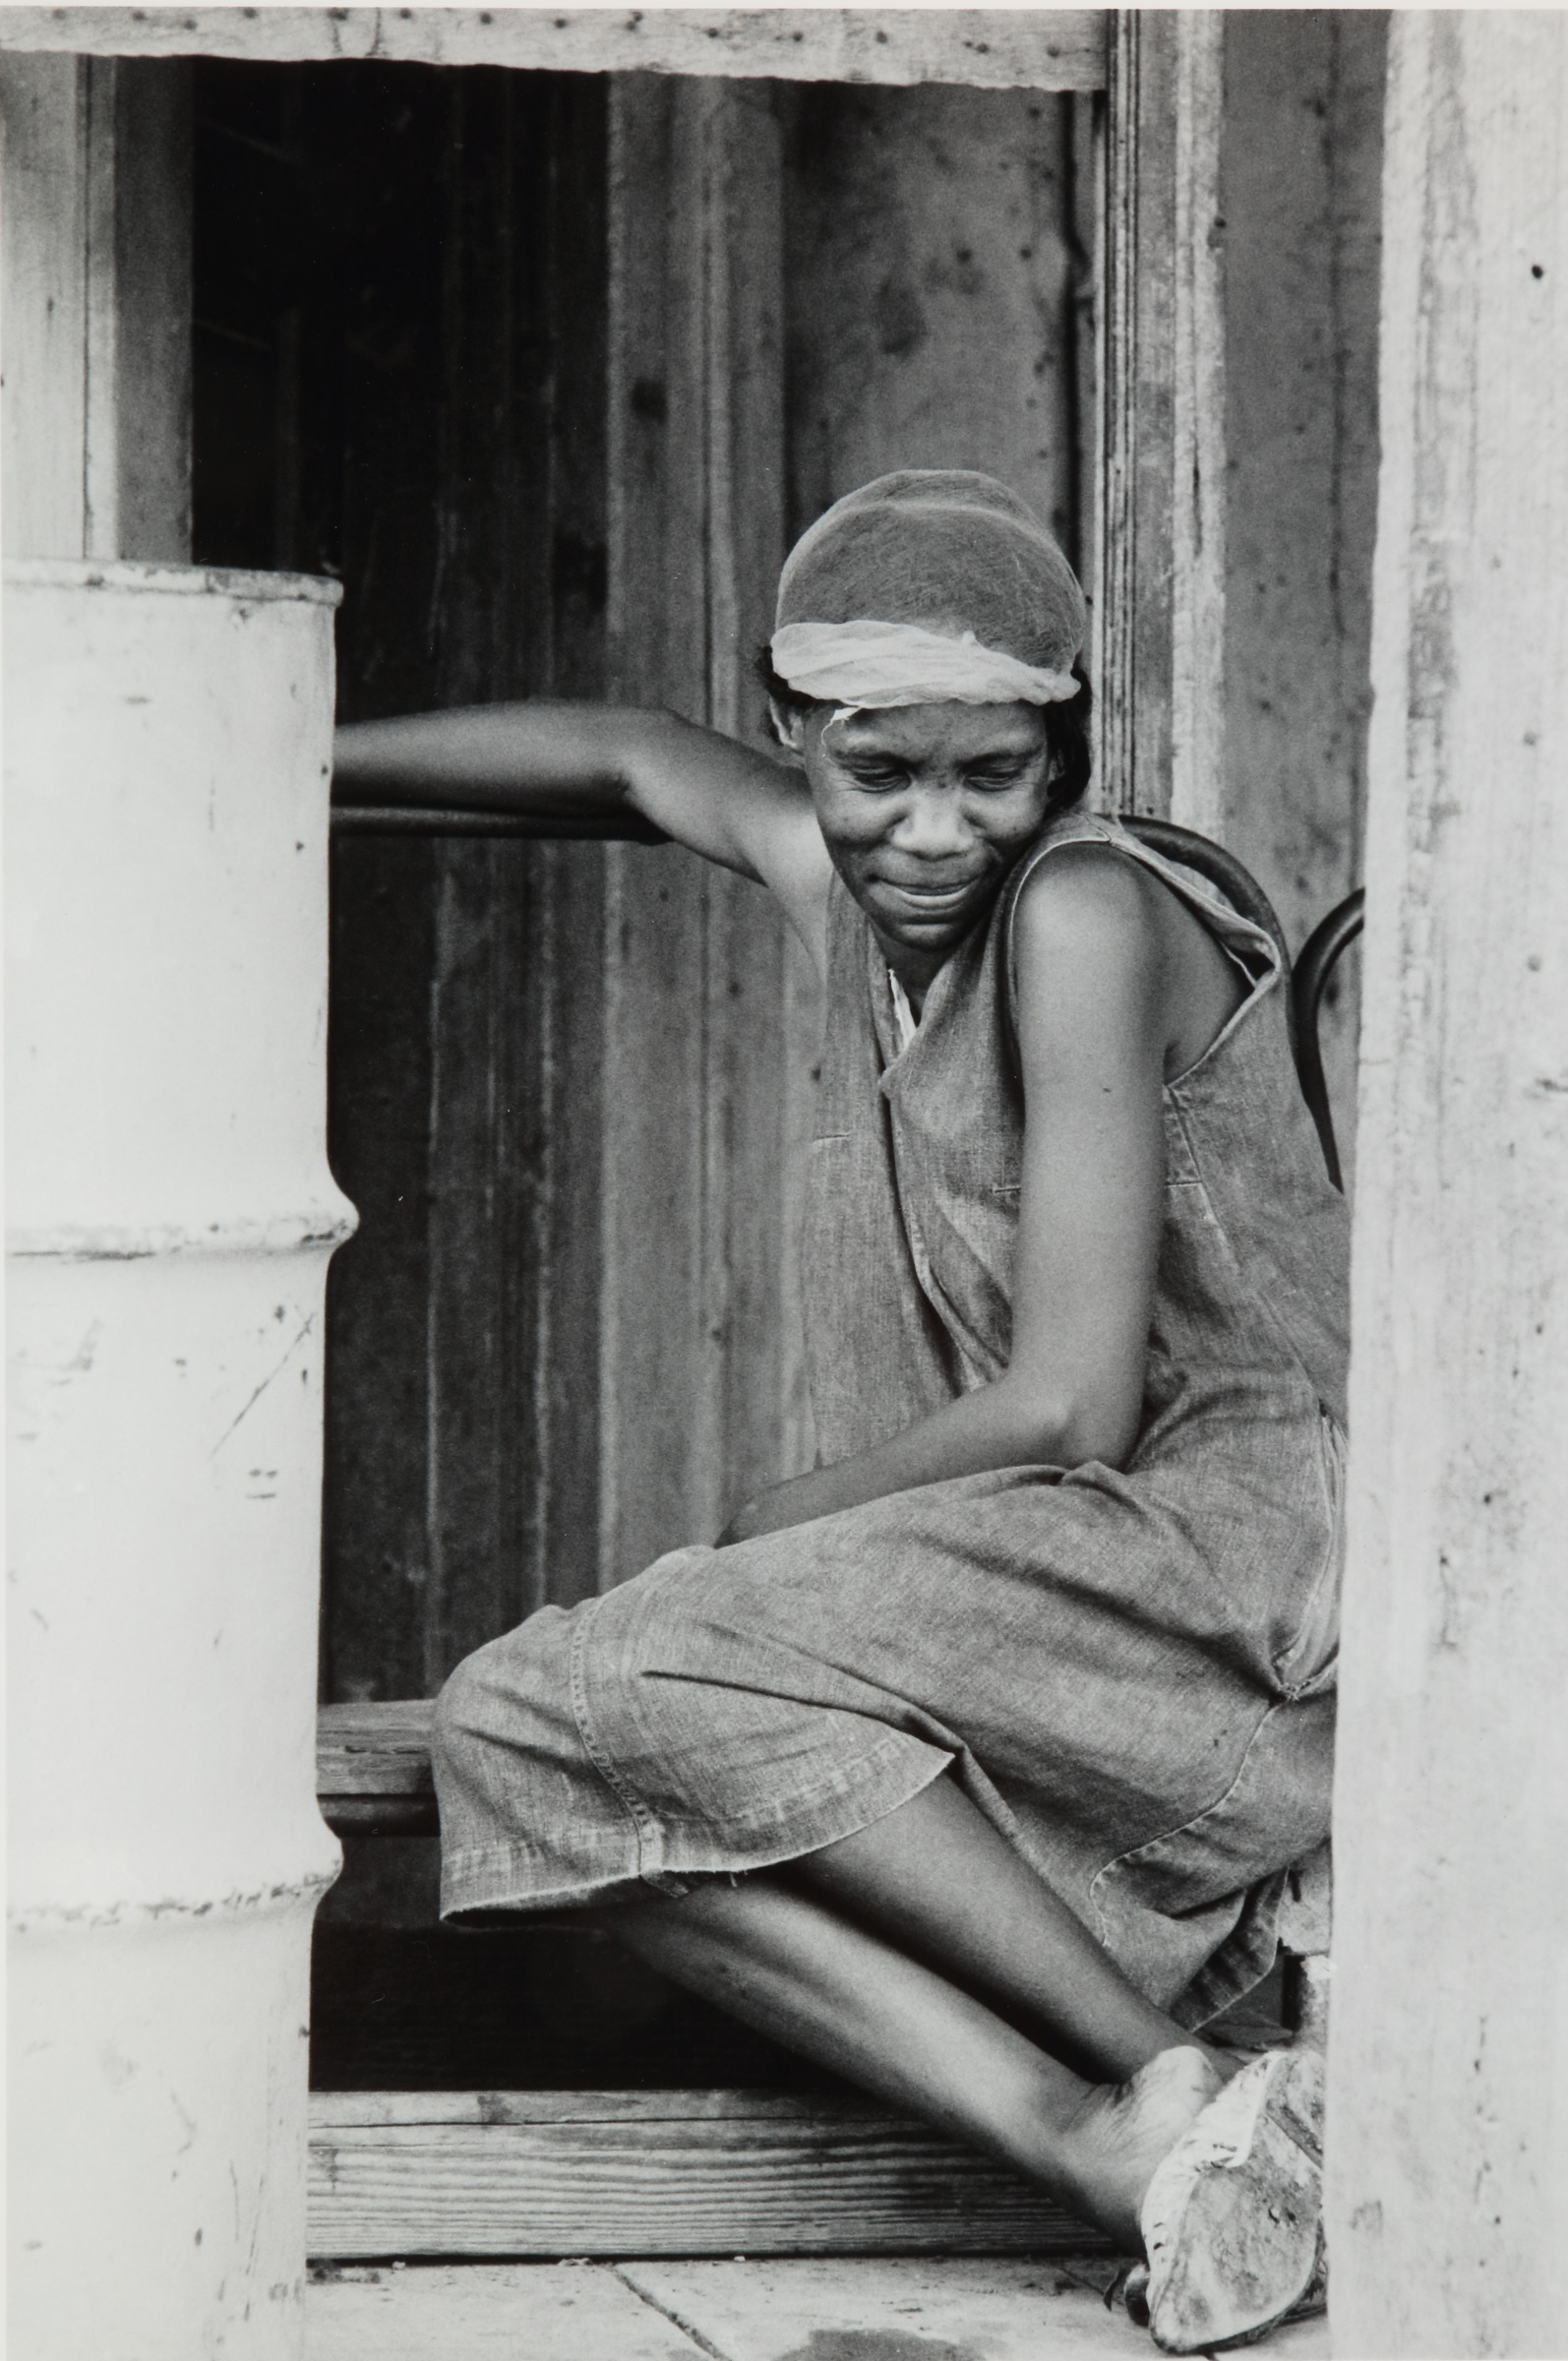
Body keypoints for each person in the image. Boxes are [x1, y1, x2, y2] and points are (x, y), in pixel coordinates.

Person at [332, 471, 1349, 2352]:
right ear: (794, 732)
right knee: (545, 1764)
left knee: (623, 1677)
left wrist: (760, 1523)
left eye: (995, 773)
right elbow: (629, 762)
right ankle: (1116, 2144)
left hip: (1246, 1538)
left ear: (1065, 751)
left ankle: (1189, 2093)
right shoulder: (842, 855)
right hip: (1097, 1553)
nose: (931, 830)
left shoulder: (1083, 908)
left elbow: (1065, 1399)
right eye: (877, 772)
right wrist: (246, 755)